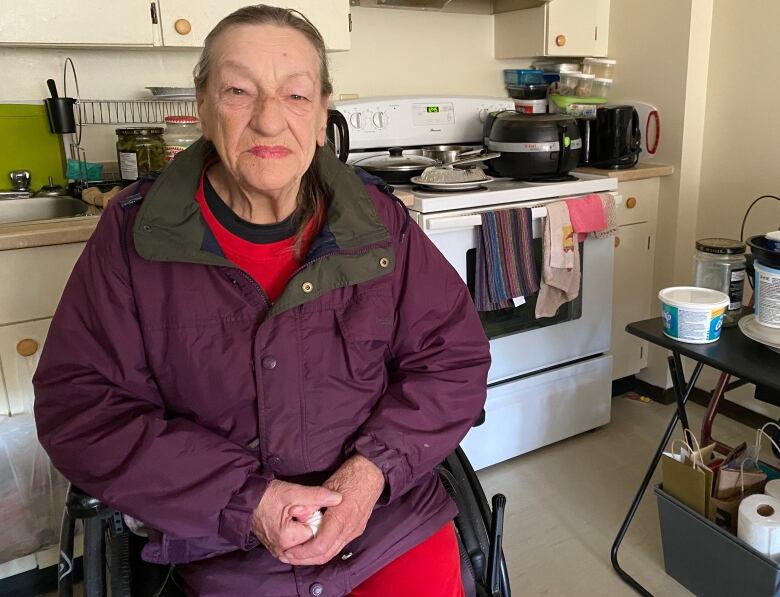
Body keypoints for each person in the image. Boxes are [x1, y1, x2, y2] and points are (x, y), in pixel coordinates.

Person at [33, 5, 490, 597]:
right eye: (238, 91)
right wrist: (250, 501)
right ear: (202, 106)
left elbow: (452, 359)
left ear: (324, 113)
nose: (269, 121)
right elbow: (81, 407)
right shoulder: (132, 235)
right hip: (219, 545)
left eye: (296, 96)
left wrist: (372, 471)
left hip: (384, 519)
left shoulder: (379, 223)